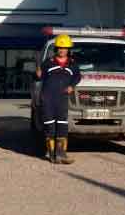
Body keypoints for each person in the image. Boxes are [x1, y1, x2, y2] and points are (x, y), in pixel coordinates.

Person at [36, 34, 81, 164]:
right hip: (48, 99)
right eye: (60, 48)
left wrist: (72, 86)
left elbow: (77, 77)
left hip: (62, 99)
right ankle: (52, 155)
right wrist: (37, 73)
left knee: (62, 126)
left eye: (65, 48)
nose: (62, 50)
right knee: (49, 126)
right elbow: (38, 77)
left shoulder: (72, 64)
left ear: (68, 49)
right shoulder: (48, 62)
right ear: (56, 49)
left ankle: (61, 154)